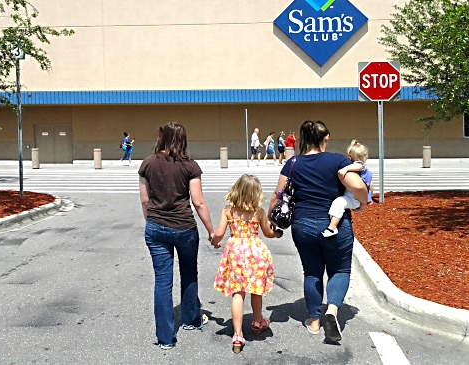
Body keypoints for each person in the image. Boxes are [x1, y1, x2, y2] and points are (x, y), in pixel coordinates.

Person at [267, 120, 367, 344]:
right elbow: (359, 187)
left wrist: (269, 218)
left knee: (312, 272)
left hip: (303, 225)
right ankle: (331, 311)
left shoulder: (292, 163)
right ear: (326, 138)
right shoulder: (338, 160)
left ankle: (313, 321)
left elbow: (278, 194)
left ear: (302, 139)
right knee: (340, 269)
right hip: (335, 225)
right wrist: (361, 203)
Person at [139, 122, 216, 350]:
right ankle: (191, 319)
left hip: (155, 227)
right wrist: (212, 230)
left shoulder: (148, 163)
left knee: (162, 280)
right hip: (184, 228)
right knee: (189, 272)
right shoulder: (190, 166)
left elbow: (145, 200)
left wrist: (151, 220)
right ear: (183, 139)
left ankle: (165, 338)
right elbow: (198, 201)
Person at [211, 174, 282, 353]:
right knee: (255, 290)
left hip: (235, 252)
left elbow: (219, 233)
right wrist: (277, 233)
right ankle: (258, 322)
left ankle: (237, 335)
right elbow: (267, 232)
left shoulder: (228, 211)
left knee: (238, 292)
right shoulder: (258, 212)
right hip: (255, 252)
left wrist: (215, 241)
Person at [323, 139, 374, 237]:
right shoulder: (368, 172)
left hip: (353, 197)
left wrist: (345, 169)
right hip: (356, 198)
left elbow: (359, 166)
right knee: (340, 205)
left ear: (349, 157)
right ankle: (335, 222)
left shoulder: (358, 166)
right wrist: (368, 199)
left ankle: (332, 227)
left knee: (339, 203)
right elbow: (370, 187)